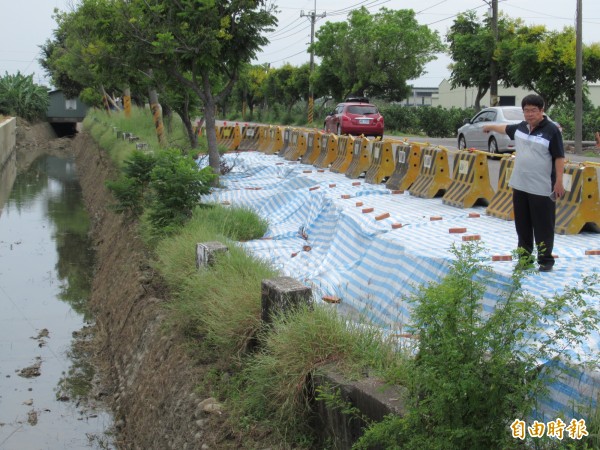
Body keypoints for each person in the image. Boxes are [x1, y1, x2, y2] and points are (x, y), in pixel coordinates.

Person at [483, 94, 565, 272]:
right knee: (523, 226)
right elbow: (504, 128)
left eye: (533, 110)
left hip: (542, 187)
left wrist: (559, 181)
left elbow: (559, 157)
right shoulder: (520, 128)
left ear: (542, 111)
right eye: (526, 111)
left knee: (543, 226)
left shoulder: (552, 130)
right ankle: (525, 259)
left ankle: (545, 261)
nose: (529, 114)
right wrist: (489, 126)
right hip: (520, 185)